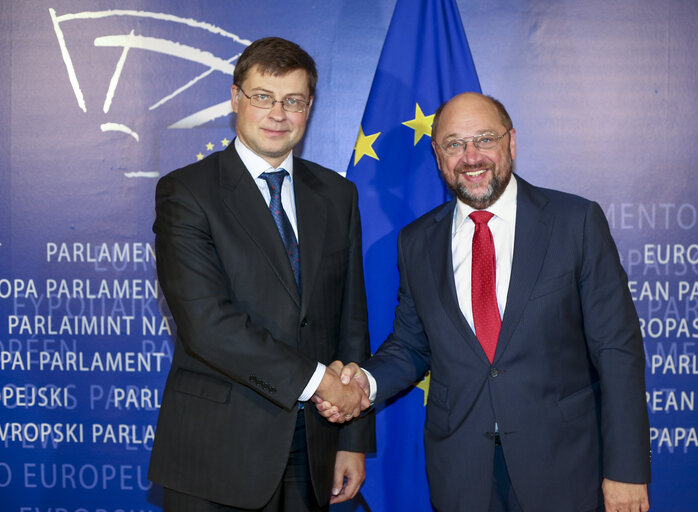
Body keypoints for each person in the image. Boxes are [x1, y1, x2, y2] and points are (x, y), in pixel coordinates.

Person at [316, 92, 650, 512]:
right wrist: (366, 383)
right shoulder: (417, 241)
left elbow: (617, 350)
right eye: (454, 144)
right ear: (438, 157)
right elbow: (411, 345)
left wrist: (627, 469)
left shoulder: (575, 222)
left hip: (564, 468)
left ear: (511, 143)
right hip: (462, 474)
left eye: (484, 140)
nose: (470, 157)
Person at [149, 37, 374, 511]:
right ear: (236, 98)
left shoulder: (337, 195)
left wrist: (351, 437)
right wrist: (320, 382)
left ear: (309, 107)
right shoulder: (186, 193)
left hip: (313, 448)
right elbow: (208, 326)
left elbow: (350, 321)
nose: (278, 114)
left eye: (293, 101)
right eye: (263, 97)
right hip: (217, 453)